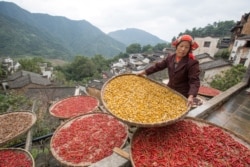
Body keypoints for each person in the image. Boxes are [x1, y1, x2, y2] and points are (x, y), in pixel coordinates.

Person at [137, 34, 200, 107]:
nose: (183, 49)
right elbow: (158, 66)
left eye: (186, 47)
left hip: (183, 93)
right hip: (170, 89)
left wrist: (191, 96)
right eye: (181, 46)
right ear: (177, 46)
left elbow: (194, 81)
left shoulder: (192, 63)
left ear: (189, 49)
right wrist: (144, 72)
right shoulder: (171, 57)